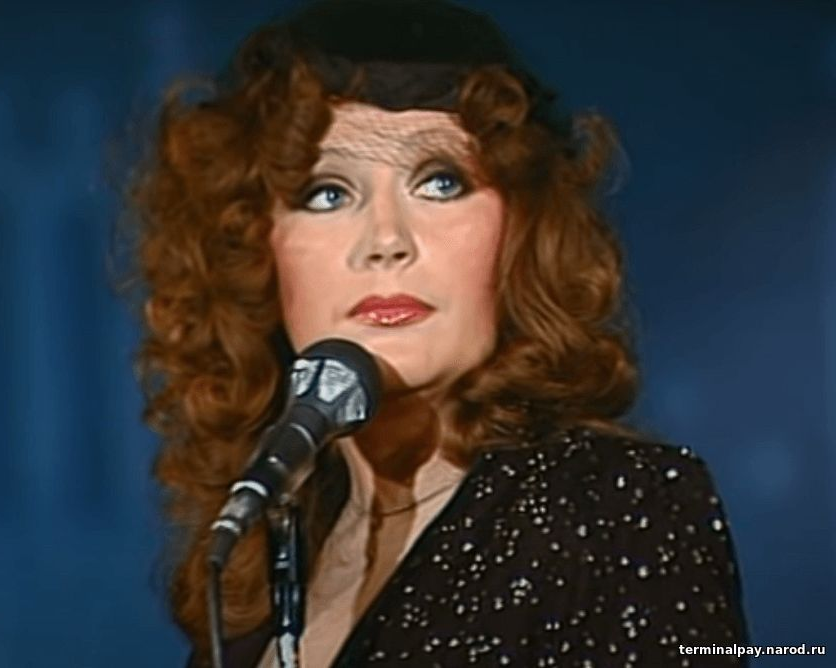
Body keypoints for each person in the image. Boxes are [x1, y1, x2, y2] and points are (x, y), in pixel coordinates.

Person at [124, 0, 750, 665]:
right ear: (256, 252)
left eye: (440, 182)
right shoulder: (264, 564)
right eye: (328, 193)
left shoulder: (613, 507)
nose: (386, 240)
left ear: (518, 233)